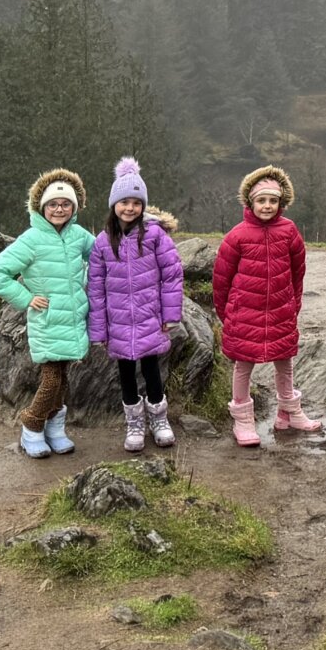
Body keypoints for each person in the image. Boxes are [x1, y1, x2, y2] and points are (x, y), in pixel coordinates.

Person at [0, 168, 93, 458]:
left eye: (65, 204)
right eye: (53, 204)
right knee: (52, 379)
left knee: (64, 378)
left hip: (72, 321)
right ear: (42, 207)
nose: (59, 209)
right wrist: (26, 298)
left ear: (74, 207)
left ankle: (54, 429)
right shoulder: (31, 239)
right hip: (47, 322)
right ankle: (32, 425)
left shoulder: (79, 236)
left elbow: (101, 257)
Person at [211, 165, 316, 447]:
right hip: (244, 313)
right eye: (261, 200)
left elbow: (297, 271)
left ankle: (289, 413)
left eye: (273, 201)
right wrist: (228, 314)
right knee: (243, 366)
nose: (267, 206)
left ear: (281, 203)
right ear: (250, 202)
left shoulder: (290, 231)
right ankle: (243, 419)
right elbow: (221, 280)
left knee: (285, 363)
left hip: (281, 310)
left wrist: (293, 305)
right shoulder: (237, 236)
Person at [88, 156, 184, 451]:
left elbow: (172, 274)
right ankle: (134, 423)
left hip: (149, 316)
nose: (130, 208)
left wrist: (170, 315)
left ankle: (159, 417)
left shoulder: (155, 235)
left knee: (152, 367)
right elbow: (95, 287)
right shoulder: (103, 242)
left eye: (136, 202)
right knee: (126, 372)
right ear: (113, 204)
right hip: (118, 321)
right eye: (124, 202)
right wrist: (99, 329)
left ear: (143, 206)